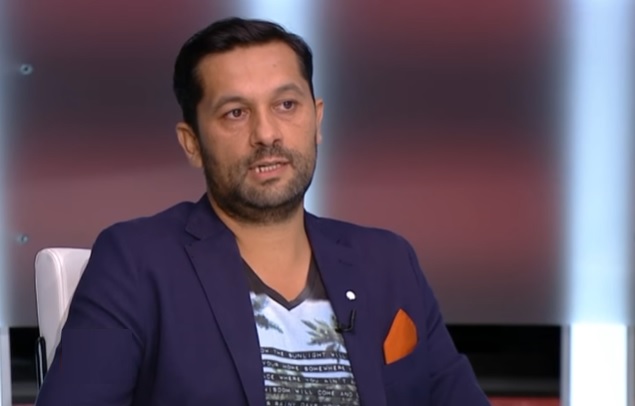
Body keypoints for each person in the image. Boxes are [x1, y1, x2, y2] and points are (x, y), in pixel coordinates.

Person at [35, 17, 490, 405]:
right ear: (192, 143)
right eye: (236, 113)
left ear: (317, 120)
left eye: (286, 105)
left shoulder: (387, 260)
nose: (267, 133)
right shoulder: (136, 261)